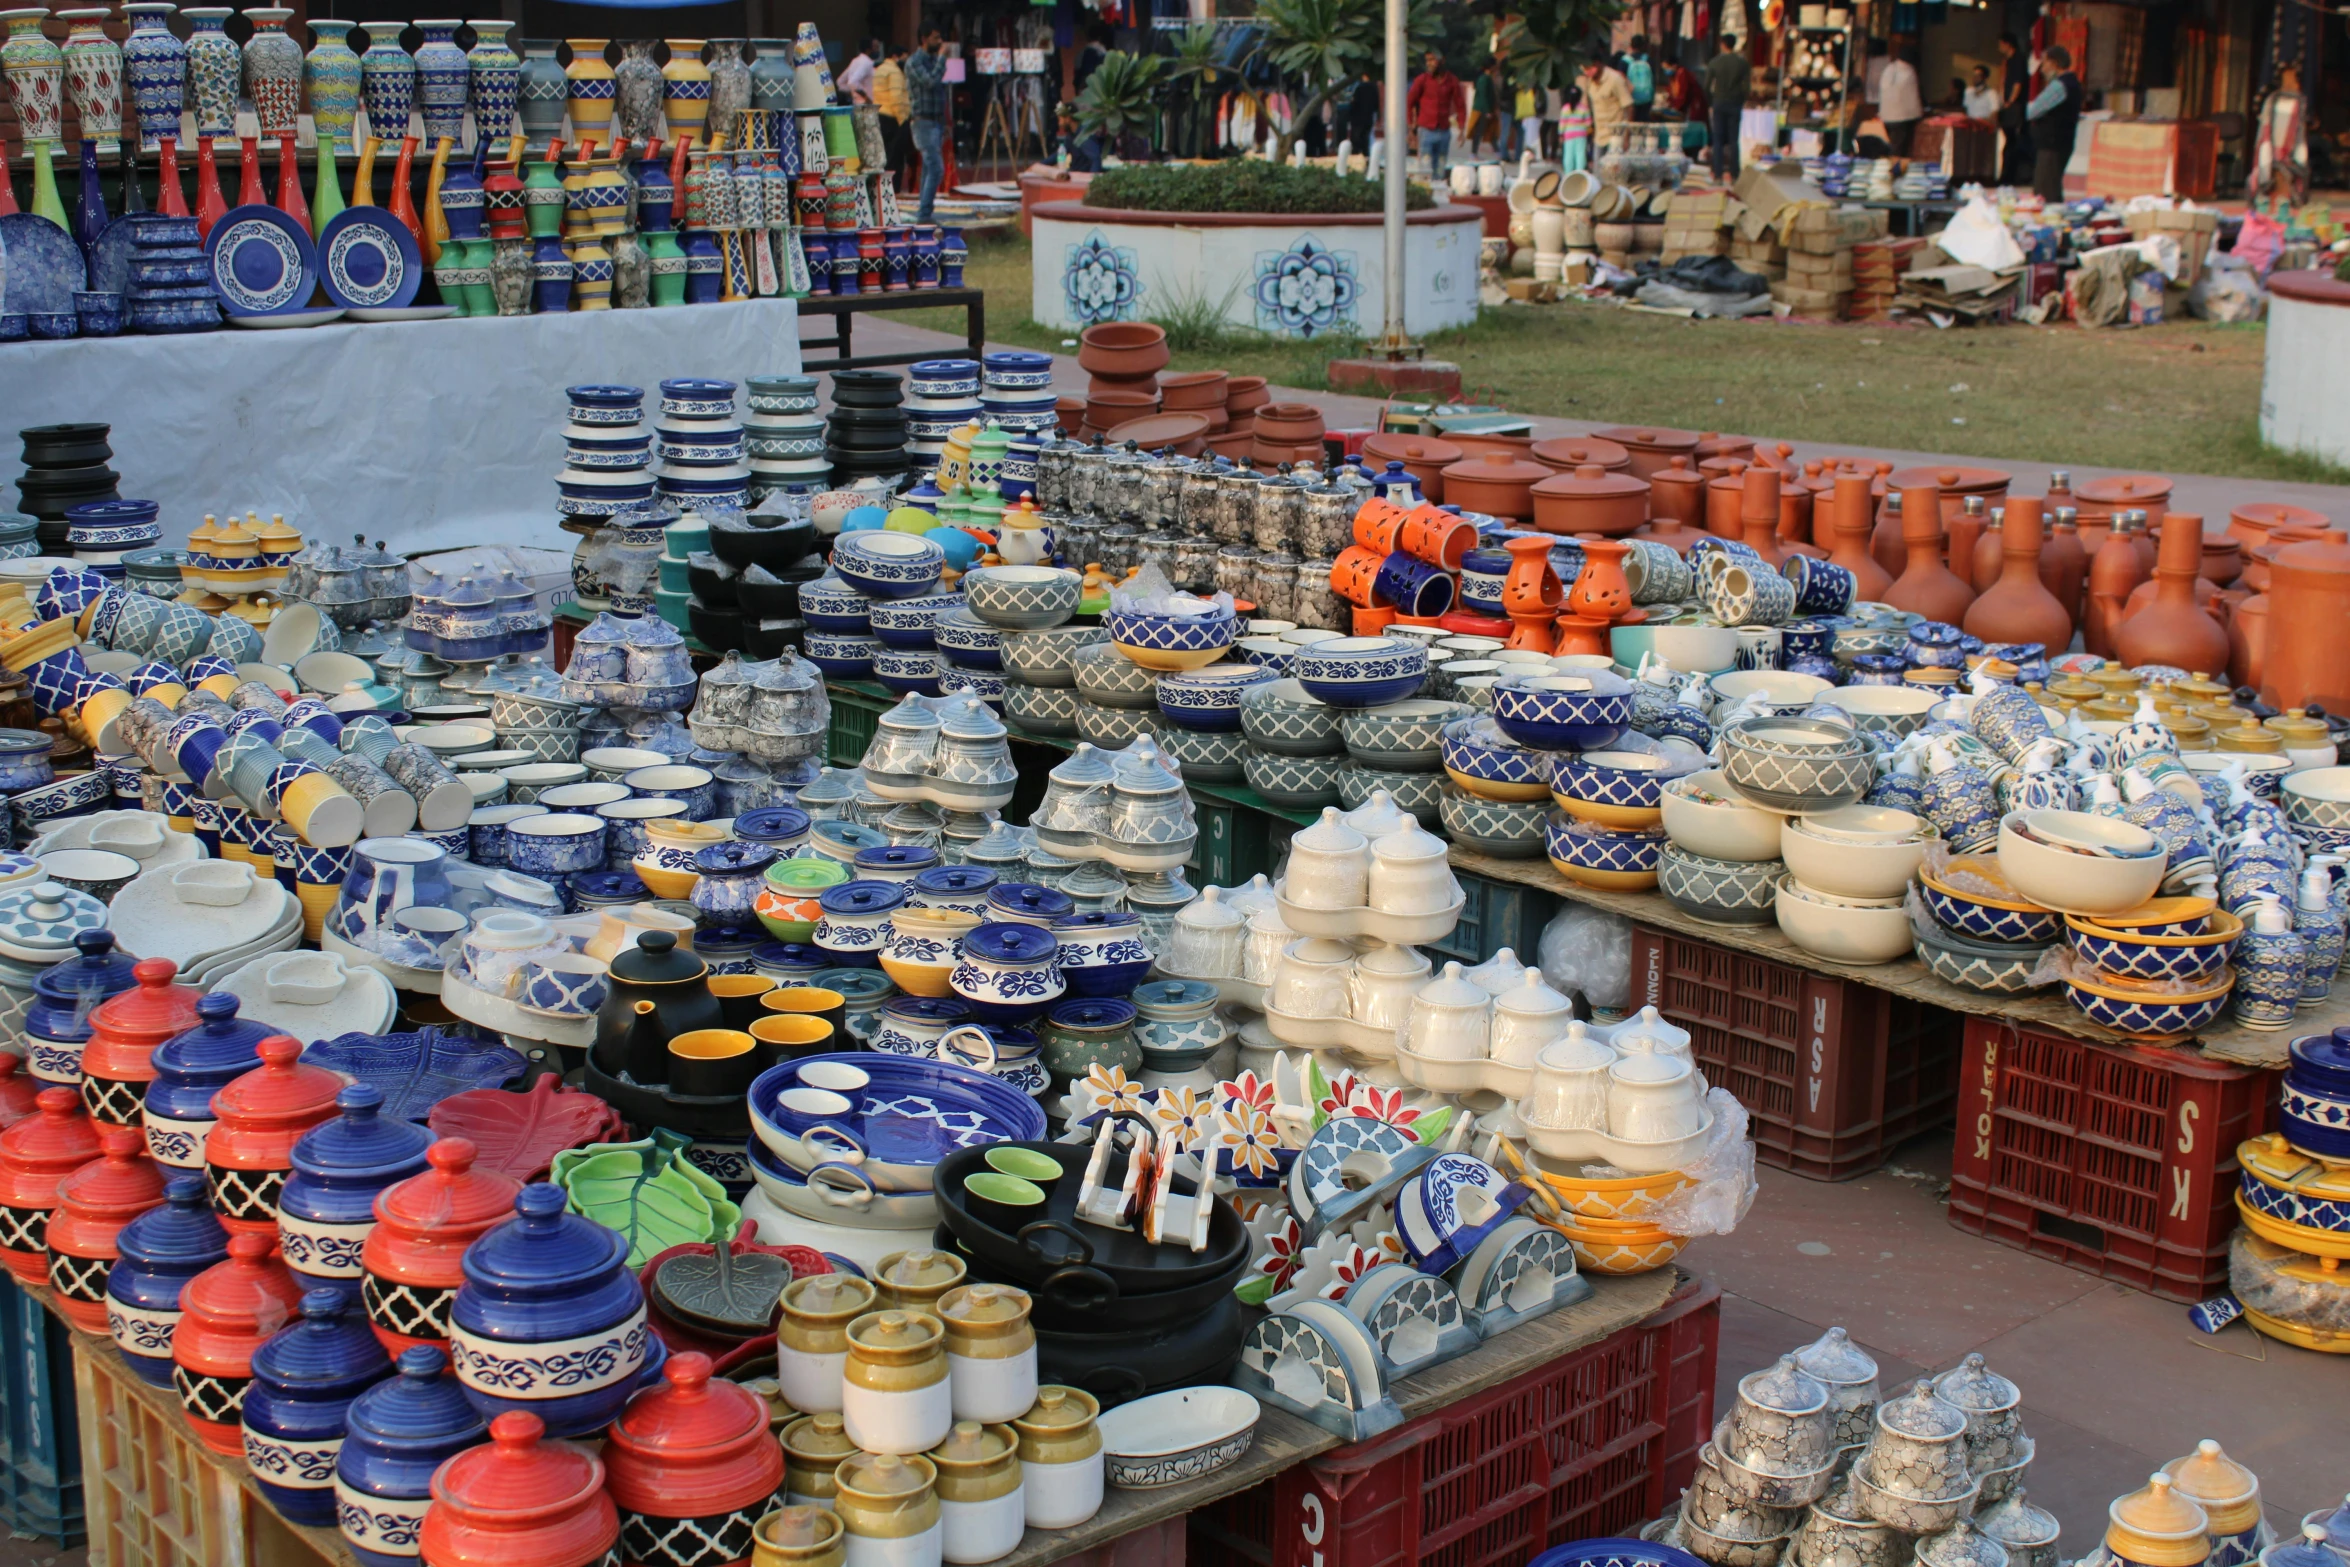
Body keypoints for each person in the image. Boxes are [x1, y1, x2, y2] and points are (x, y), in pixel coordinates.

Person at [2025, 44, 2082, 203]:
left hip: (2052, 144)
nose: (2042, 68)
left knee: (2045, 192)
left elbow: (2033, 111)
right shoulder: (2071, 83)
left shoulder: (2060, 86)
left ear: (2055, 63)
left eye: (2044, 63)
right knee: (2052, 188)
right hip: (2059, 143)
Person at [905, 28, 949, 223]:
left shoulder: (932, 60)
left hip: (936, 121)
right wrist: (942, 60)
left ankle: (924, 213)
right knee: (936, 167)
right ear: (924, 39)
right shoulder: (914, 62)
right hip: (922, 121)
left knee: (929, 168)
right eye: (936, 37)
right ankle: (924, 215)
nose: (940, 41)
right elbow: (930, 82)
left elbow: (938, 92)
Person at [2250, 64, 2310, 207]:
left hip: (2287, 149)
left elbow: (2299, 131)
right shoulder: (2274, 100)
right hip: (2274, 147)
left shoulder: (2297, 102)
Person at [1406, 50, 1465, 173]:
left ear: (1442, 60)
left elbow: (1460, 105)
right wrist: (1411, 126)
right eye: (1427, 60)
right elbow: (1409, 102)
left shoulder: (1452, 81)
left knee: (1440, 169)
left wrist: (1461, 129)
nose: (1429, 64)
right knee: (1425, 170)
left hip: (1444, 131)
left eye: (1432, 60)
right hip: (1425, 131)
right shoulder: (1422, 80)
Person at [1702, 40, 1748, 179]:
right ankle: (1734, 172)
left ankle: (1717, 171)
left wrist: (1711, 101)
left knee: (1718, 139)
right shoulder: (1742, 63)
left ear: (1722, 44)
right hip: (1735, 103)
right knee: (1734, 140)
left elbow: (1706, 86)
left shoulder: (1715, 62)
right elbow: (1746, 87)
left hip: (1719, 103)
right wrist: (1741, 101)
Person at [1997, 35, 2032, 184]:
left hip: (2015, 106)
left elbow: (2018, 83)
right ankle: (2007, 175)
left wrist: (2011, 100)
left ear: (2008, 44)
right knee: (2009, 141)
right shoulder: (2007, 62)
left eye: (2001, 44)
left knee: (2015, 141)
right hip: (2007, 104)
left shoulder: (2018, 60)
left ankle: (2014, 176)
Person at [1875, 39, 1920, 155]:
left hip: (1887, 116)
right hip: (1903, 118)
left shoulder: (1889, 69)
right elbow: (1913, 96)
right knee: (1899, 149)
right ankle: (1896, 170)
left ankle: (1895, 167)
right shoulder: (1909, 71)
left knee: (1894, 146)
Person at [872, 43, 911, 176]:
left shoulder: (880, 69)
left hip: (880, 115)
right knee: (895, 158)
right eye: (904, 58)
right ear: (896, 57)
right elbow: (896, 98)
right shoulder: (894, 72)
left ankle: (885, 187)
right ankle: (895, 188)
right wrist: (903, 120)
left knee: (885, 157)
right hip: (893, 117)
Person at [1580, 55, 1632, 150]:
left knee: (1612, 165)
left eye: (1589, 67)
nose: (1587, 71)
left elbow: (1629, 106)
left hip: (1616, 137)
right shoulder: (1589, 80)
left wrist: (1626, 138)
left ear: (1598, 63)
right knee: (1598, 164)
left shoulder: (1615, 79)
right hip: (1599, 137)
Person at [1469, 57, 1509, 158]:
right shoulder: (1484, 79)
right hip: (1482, 110)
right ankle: (1473, 153)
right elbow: (1483, 96)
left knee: (1491, 131)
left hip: (1488, 109)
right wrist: (1487, 111)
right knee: (1479, 131)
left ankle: (1496, 151)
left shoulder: (1488, 78)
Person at [1557, 81, 1593, 172]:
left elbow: (1562, 124)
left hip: (1568, 135)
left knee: (1568, 155)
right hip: (1581, 134)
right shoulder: (1584, 108)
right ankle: (1580, 173)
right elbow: (1589, 123)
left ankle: (1568, 173)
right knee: (1580, 154)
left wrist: (1561, 135)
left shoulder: (1565, 108)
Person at [1054, 104, 1101, 171]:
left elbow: (1095, 159)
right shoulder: (1070, 135)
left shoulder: (1083, 135)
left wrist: (1091, 179)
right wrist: (1039, 164)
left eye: (1060, 120)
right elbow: (1060, 154)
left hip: (1083, 176)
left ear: (1067, 119)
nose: (1059, 124)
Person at [1344, 67, 1380, 152]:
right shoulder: (1373, 88)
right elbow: (1376, 104)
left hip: (1358, 119)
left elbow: (1354, 103)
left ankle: (1357, 157)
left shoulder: (1359, 88)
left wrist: (1350, 115)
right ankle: (1365, 156)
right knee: (1365, 140)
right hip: (1368, 118)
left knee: (1356, 141)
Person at [837, 38, 880, 104]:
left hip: (857, 105)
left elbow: (840, 82)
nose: (878, 50)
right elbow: (853, 82)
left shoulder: (855, 61)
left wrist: (854, 94)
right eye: (876, 47)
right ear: (868, 50)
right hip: (867, 105)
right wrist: (866, 97)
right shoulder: (866, 62)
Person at [1625, 35, 1655, 120]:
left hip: (1630, 99)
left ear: (1631, 46)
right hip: (1646, 99)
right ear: (1643, 46)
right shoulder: (1648, 59)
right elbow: (1653, 80)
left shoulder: (1625, 61)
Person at [1074, 26, 1109, 93]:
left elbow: (1077, 71)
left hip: (1085, 85)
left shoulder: (1081, 53)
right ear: (1100, 37)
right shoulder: (1104, 53)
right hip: (1100, 86)